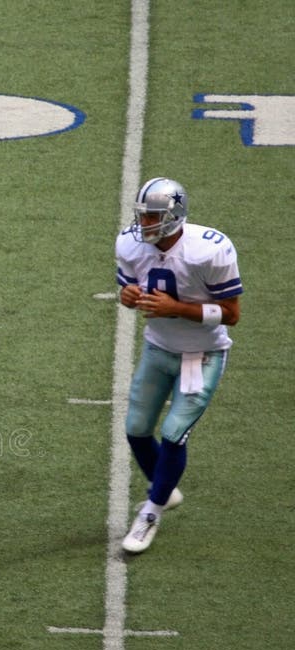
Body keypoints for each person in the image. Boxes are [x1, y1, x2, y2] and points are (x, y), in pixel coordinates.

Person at [115, 177, 242, 553]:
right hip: (158, 348)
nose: (145, 225)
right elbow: (128, 293)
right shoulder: (129, 244)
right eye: (142, 216)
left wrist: (177, 310)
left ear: (173, 216)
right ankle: (164, 490)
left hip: (200, 356)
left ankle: (151, 511)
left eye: (152, 217)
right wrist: (128, 296)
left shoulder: (209, 251)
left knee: (173, 433)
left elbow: (231, 314)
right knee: (136, 429)